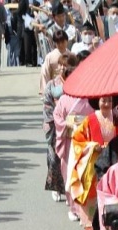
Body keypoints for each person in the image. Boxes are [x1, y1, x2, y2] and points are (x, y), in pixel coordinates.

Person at [67, 96, 118, 230]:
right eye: (103, 100)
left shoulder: (117, 119)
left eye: (110, 101)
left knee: (112, 191)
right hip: (93, 162)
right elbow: (77, 139)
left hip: (113, 159)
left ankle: (110, 222)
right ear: (97, 101)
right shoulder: (90, 119)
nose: (106, 104)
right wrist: (92, 146)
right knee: (92, 192)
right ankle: (91, 225)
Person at [43, 55, 79, 201]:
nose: (63, 68)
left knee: (70, 160)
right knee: (54, 158)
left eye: (67, 65)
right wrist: (57, 123)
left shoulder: (78, 83)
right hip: (55, 125)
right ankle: (56, 187)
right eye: (61, 65)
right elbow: (47, 105)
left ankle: (69, 189)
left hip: (75, 126)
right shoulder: (52, 84)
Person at [40, 30, 70, 95]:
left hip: (69, 86)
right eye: (58, 42)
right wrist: (46, 91)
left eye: (62, 42)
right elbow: (45, 73)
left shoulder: (71, 55)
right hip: (54, 88)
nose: (60, 44)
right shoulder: (49, 56)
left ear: (67, 41)